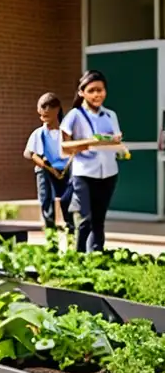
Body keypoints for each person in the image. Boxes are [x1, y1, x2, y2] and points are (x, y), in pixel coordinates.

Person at [61, 70, 123, 253]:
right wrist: (92, 142)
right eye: (92, 90)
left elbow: (114, 142)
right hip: (84, 173)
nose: (97, 94)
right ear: (82, 92)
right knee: (85, 218)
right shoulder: (74, 115)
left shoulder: (110, 115)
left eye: (101, 90)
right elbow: (64, 148)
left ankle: (97, 255)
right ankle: (79, 257)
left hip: (109, 172)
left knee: (99, 220)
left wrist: (118, 147)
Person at [23, 93, 74, 236]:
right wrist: (49, 168)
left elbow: (73, 151)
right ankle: (50, 232)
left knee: (68, 200)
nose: (43, 116)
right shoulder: (39, 134)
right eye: (41, 113)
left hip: (65, 170)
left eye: (47, 111)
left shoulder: (65, 133)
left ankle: (71, 231)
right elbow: (32, 154)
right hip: (47, 170)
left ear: (57, 110)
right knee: (47, 199)